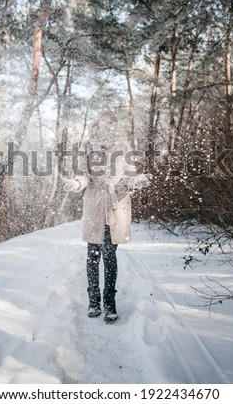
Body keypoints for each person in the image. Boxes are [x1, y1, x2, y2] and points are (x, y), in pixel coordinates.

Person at [62, 111, 151, 322]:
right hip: (94, 204)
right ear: (97, 126)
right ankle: (94, 301)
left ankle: (110, 304)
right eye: (102, 125)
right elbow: (83, 173)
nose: (105, 128)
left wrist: (135, 180)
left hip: (117, 204)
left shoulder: (123, 147)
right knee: (93, 254)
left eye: (109, 125)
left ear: (114, 126)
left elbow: (128, 173)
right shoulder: (88, 146)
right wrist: (77, 183)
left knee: (110, 255)